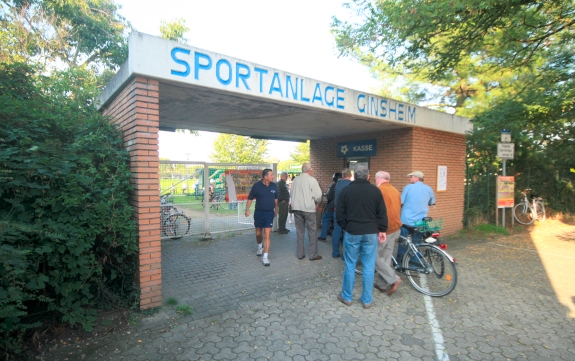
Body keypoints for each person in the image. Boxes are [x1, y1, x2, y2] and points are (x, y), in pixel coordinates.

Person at [336, 166, 388, 309]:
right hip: (371, 232)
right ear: (368, 176)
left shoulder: (346, 191)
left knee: (350, 264)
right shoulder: (375, 191)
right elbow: (382, 213)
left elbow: (339, 214)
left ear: (354, 176)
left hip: (352, 232)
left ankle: (347, 297)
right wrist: (382, 229)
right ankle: (366, 300)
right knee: (368, 266)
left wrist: (346, 226)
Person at [374, 171, 403, 296]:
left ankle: (394, 278)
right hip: (396, 228)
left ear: (379, 179)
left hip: (384, 229)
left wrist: (379, 229)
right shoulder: (395, 190)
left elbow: (377, 211)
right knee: (386, 257)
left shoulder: (379, 191)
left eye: (375, 179)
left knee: (372, 256)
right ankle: (382, 284)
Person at [398, 171, 436, 259]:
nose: (409, 178)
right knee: (417, 242)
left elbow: (401, 202)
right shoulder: (429, 189)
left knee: (403, 240)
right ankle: (416, 262)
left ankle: (401, 260)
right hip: (420, 220)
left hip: (406, 220)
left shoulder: (408, 187)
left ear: (417, 178)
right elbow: (432, 202)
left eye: (411, 177)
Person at [245, 169, 279, 266]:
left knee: (267, 235)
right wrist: (247, 209)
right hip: (259, 213)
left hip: (269, 213)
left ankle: (265, 257)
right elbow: (250, 198)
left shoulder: (274, 186)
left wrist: (276, 209)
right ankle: (260, 246)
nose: (273, 176)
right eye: (271, 175)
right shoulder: (257, 186)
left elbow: (276, 199)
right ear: (265, 177)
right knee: (258, 233)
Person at [290, 163, 323, 261]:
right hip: (308, 209)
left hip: (297, 208)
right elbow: (318, 195)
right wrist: (316, 203)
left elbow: (291, 193)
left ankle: (300, 254)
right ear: (310, 170)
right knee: (312, 231)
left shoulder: (295, 180)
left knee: (300, 232)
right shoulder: (312, 180)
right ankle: (313, 255)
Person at [331, 168, 352, 258]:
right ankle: (345, 255)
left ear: (342, 176)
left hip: (337, 211)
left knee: (336, 231)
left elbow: (335, 198)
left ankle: (335, 252)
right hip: (348, 212)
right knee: (347, 233)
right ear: (350, 175)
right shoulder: (352, 185)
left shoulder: (337, 184)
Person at [318, 172, 342, 241]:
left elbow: (329, 196)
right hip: (342, 208)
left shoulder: (334, 185)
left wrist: (326, 196)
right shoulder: (346, 185)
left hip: (332, 207)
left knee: (325, 218)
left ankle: (323, 236)